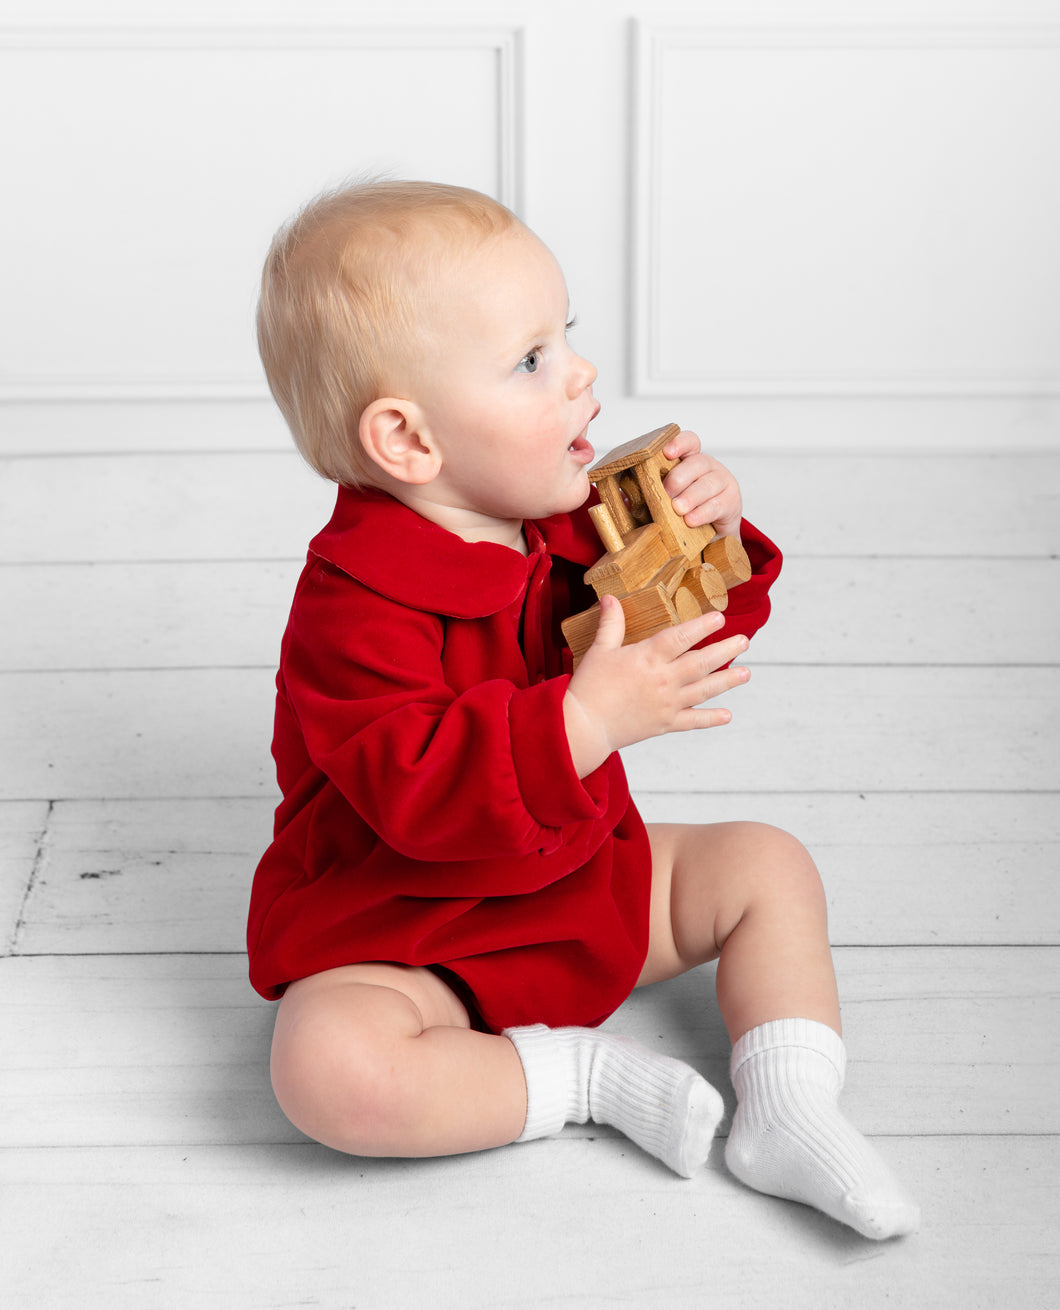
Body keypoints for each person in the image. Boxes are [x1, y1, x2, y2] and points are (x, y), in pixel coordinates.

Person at [247, 179, 919, 1241]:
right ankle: (579, 1077)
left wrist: (717, 533)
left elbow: (687, 620)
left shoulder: (558, 521)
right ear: (408, 441)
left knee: (765, 864)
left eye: (566, 338)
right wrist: (585, 722)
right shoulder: (350, 605)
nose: (581, 376)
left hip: (580, 878)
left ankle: (789, 1105)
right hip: (414, 928)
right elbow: (416, 792)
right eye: (531, 361)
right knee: (329, 1070)